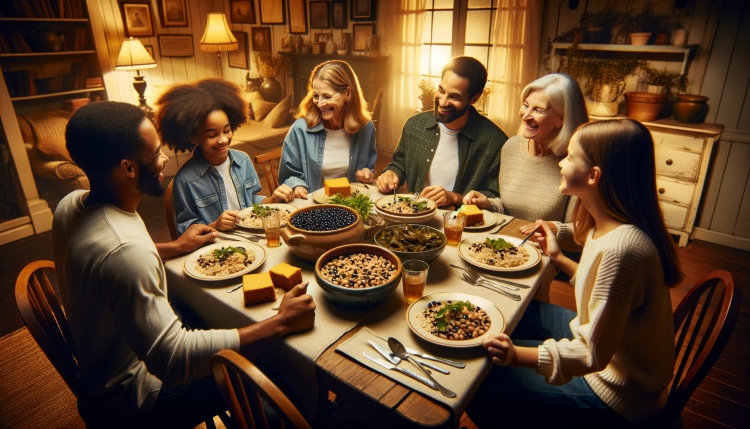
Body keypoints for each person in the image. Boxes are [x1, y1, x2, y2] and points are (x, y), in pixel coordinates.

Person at [55, 101, 316, 427]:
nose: (165, 159)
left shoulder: (70, 205)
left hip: (100, 367)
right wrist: (279, 323)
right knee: (279, 368)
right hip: (138, 397)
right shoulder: (125, 252)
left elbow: (112, 256)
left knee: (218, 318)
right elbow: (174, 361)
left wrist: (175, 246)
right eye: (155, 154)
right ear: (129, 168)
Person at [465, 119, 682, 426]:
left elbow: (591, 355)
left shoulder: (622, 250)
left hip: (617, 391)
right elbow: (602, 294)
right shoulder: (607, 223)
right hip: (604, 344)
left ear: (594, 175)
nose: (561, 163)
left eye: (570, 156)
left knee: (482, 383)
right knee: (514, 313)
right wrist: (558, 257)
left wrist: (516, 356)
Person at [155, 78, 294, 236]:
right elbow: (184, 230)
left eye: (227, 130)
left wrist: (272, 200)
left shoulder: (243, 160)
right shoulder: (185, 180)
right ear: (194, 138)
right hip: (218, 249)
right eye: (212, 134)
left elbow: (251, 203)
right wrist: (215, 225)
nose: (223, 139)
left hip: (253, 239)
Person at [376, 56, 507, 207]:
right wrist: (390, 174)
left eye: (455, 97)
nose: (443, 102)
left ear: (474, 99)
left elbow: (494, 197)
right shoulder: (414, 124)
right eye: (441, 90)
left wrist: (455, 198)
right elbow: (398, 165)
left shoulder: (495, 142)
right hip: (413, 217)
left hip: (461, 225)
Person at [463, 73, 588, 224]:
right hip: (505, 242)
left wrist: (552, 230)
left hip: (547, 247)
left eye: (538, 110)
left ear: (561, 118)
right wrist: (489, 204)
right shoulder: (512, 147)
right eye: (526, 105)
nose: (525, 116)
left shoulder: (578, 163)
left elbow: (579, 234)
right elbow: (512, 211)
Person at [278, 60, 377, 198]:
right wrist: (296, 185)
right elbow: (288, 175)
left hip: (351, 205)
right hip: (313, 207)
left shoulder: (366, 128)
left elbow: (367, 171)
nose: (319, 103)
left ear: (348, 94)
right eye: (316, 95)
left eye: (327, 96)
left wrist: (366, 174)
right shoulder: (300, 129)